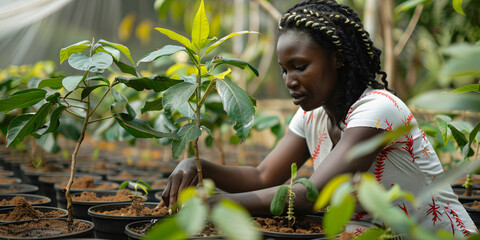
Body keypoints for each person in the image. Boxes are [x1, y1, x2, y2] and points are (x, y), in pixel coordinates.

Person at [159, 0, 476, 237]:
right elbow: (262, 176)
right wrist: (198, 169)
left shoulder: (378, 110)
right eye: (284, 70)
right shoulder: (311, 116)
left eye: (300, 66)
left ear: (338, 59)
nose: (289, 80)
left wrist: (213, 206)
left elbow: (309, 195)